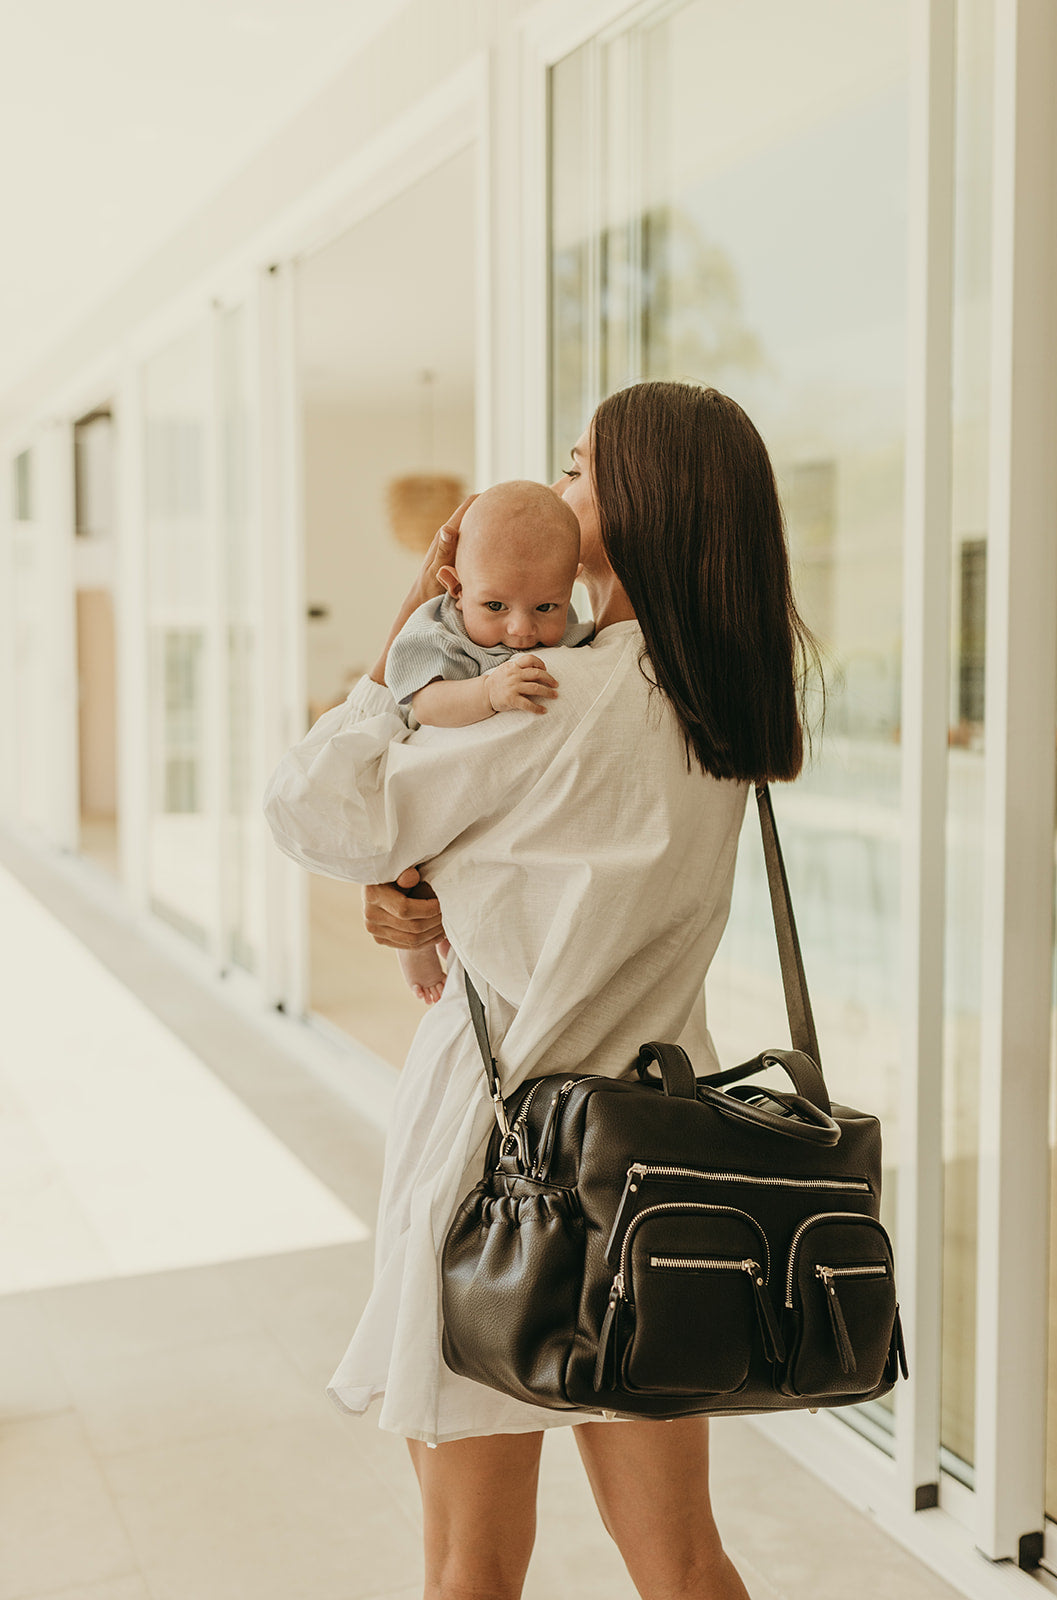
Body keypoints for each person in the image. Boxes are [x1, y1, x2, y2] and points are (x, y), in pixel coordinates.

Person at [263, 380, 816, 1600]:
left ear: (642, 501)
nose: (558, 488)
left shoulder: (545, 700)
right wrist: (426, 893)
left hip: (496, 1153)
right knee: (681, 1558)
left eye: (579, 466)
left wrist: (410, 627)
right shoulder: (713, 696)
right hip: (659, 1157)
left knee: (471, 1563)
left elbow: (312, 807)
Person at [384, 479, 593, 1003]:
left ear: (571, 583)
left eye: (546, 607)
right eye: (495, 605)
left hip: (489, 802)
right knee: (410, 873)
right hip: (423, 791)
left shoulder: (563, 626)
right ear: (454, 587)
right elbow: (423, 702)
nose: (521, 629)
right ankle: (415, 957)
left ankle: (464, 952)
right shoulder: (437, 634)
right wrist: (488, 691)